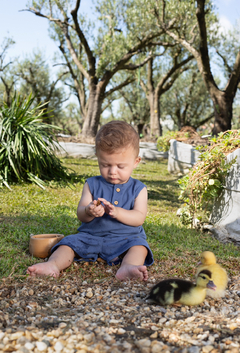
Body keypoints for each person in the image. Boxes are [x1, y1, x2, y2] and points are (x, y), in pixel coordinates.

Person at [27, 121, 154, 281]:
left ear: (136, 162)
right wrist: (89, 211)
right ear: (98, 158)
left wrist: (118, 212)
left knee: (140, 247)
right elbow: (81, 214)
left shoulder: (139, 188)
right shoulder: (91, 184)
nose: (113, 172)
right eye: (105, 165)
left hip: (126, 239)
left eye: (120, 166)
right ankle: (53, 265)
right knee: (67, 243)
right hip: (90, 236)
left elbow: (139, 218)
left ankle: (128, 267)